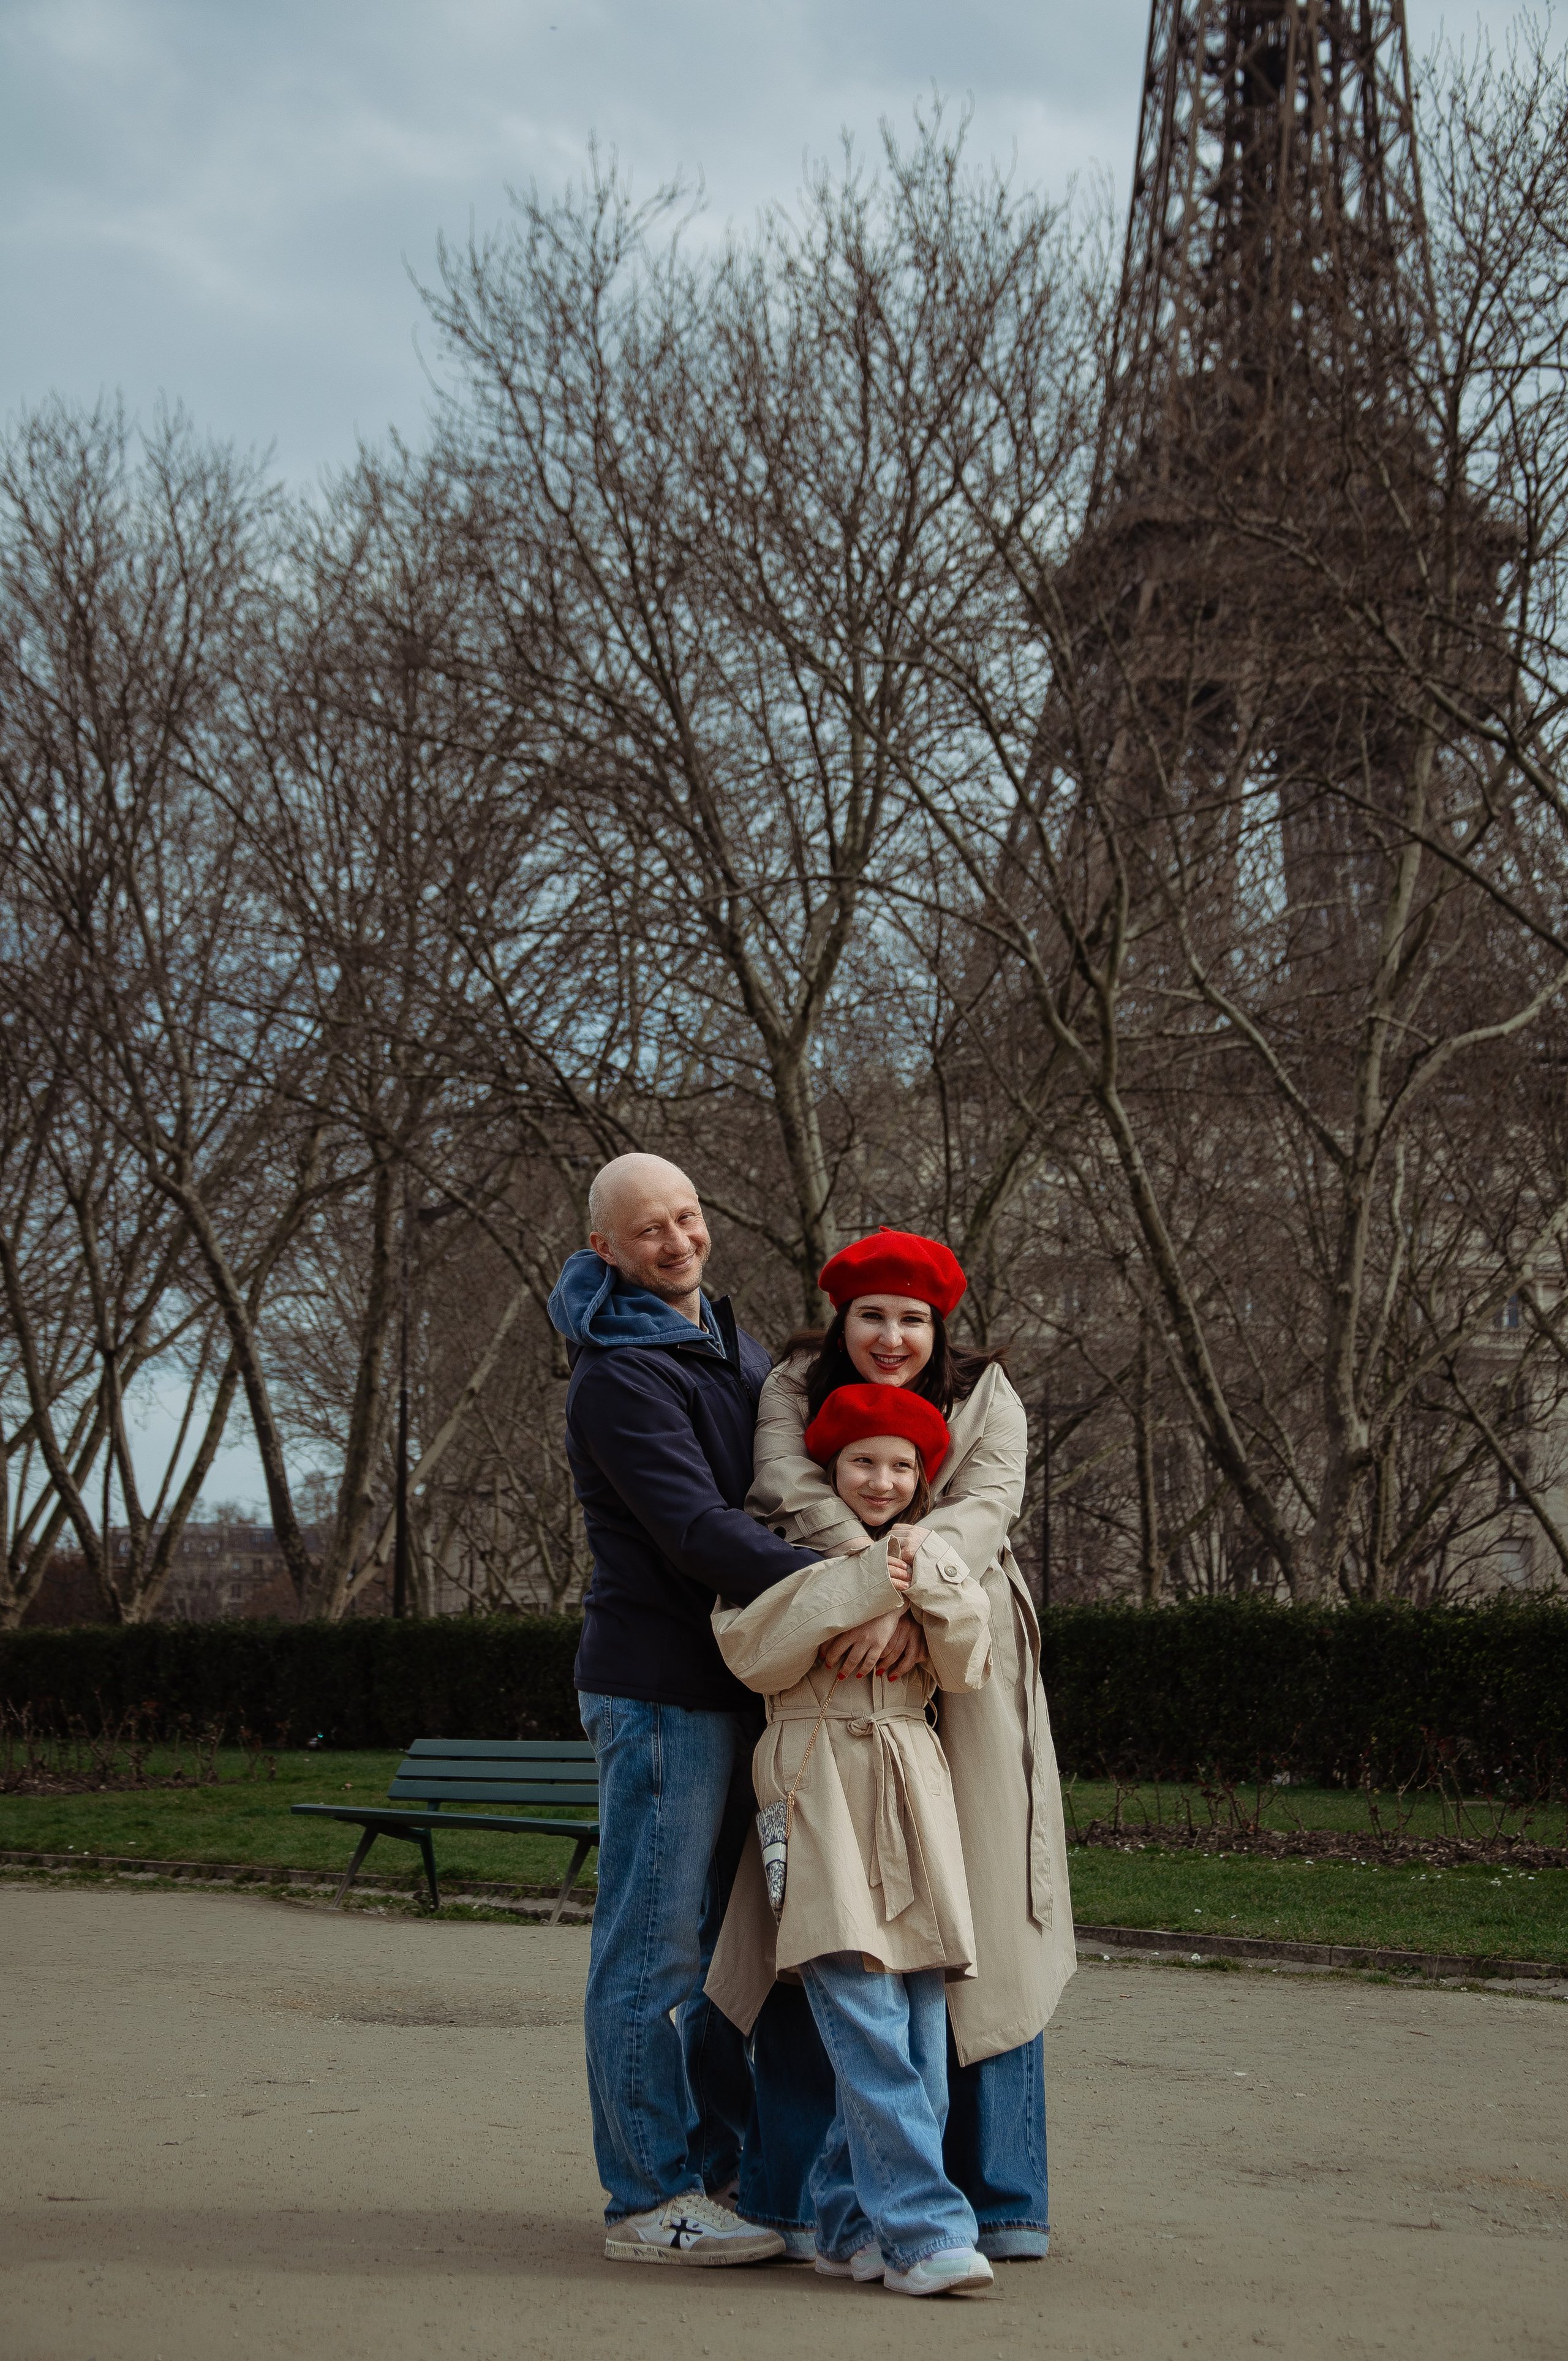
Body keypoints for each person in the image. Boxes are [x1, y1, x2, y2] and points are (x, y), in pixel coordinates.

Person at [733, 1226, 1077, 2262]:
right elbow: (789, 1485)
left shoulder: (988, 1394)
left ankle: (1002, 2198)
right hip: (825, 1618)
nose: (893, 1337)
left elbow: (985, 1508)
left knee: (980, 1917)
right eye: (872, 1314)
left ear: (942, 1326)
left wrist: (913, 1592)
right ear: (840, 1318)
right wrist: (869, 1577)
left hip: (963, 1641)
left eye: (914, 1319)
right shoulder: (794, 1384)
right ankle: (801, 2197)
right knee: (828, 1923)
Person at [548, 1151, 824, 2267]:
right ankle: (647, 2197)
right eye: (648, 1230)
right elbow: (702, 1530)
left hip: (733, 1688)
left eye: (689, 1217)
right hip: (661, 1696)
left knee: (725, 1958)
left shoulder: (729, 1343)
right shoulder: (618, 1371)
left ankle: (717, 2175)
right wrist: (842, 1593)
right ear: (606, 1250)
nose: (679, 1241)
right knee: (652, 1956)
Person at [709, 1383, 996, 2297]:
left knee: (916, 2024)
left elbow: (967, 1659)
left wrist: (918, 1591)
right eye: (863, 1461)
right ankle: (925, 2232)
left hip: (912, 1780)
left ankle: (841, 2222)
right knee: (862, 2011)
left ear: (921, 1482)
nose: (881, 1479)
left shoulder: (931, 1560)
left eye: (901, 1466)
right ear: (830, 1471)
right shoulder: (771, 1552)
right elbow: (755, 1651)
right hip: (815, 1773)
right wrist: (873, 1584)